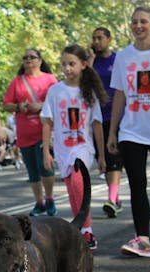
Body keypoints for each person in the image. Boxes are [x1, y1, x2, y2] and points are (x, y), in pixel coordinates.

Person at [41, 44, 108, 250]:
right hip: (62, 149)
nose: (67, 68)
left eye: (72, 64)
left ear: (83, 65)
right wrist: (46, 151)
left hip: (83, 147)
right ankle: (79, 230)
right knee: (72, 191)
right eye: (64, 64)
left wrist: (102, 156)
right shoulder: (55, 91)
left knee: (80, 184)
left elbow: (97, 125)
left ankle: (87, 231)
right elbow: (47, 121)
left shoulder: (89, 93)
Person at [107, 6, 150, 258]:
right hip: (132, 131)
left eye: (143, 21)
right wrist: (113, 132)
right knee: (137, 186)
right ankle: (143, 240)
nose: (138, 26)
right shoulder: (124, 57)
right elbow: (119, 95)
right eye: (134, 22)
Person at [2, 49, 58, 216]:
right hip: (25, 132)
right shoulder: (17, 82)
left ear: (40, 60)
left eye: (32, 57)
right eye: (25, 57)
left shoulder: (50, 80)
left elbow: (58, 101)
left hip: (44, 131)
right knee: (32, 170)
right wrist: (19, 107)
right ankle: (39, 202)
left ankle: (49, 198)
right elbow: (6, 104)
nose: (28, 60)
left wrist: (41, 106)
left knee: (45, 166)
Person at [88, 27, 124, 218]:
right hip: (96, 118)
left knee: (114, 158)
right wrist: (91, 58)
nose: (96, 41)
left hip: (116, 116)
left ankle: (112, 198)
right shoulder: (91, 62)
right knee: (104, 161)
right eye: (94, 38)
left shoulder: (118, 59)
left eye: (100, 38)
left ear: (109, 39)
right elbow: (87, 80)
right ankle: (115, 198)